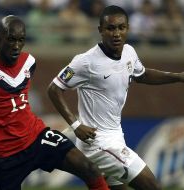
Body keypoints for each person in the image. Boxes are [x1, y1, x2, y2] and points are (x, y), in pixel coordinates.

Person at [0, 15, 109, 190]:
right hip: (4, 155)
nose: (16, 46)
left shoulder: (29, 62)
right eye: (11, 39)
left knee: (90, 169)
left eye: (21, 40)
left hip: (37, 137)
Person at [48, 5, 184, 190]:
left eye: (121, 27)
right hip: (98, 143)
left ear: (128, 28)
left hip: (115, 136)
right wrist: (76, 125)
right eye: (110, 28)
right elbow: (54, 89)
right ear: (100, 30)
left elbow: (142, 75)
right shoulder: (85, 61)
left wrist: (177, 77)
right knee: (151, 185)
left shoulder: (129, 52)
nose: (116, 33)